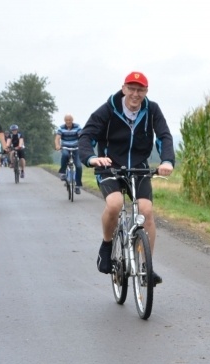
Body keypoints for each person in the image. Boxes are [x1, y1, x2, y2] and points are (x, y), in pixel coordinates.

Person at [78, 71, 175, 285]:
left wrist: (167, 161)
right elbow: (86, 136)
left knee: (146, 210)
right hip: (109, 166)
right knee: (115, 204)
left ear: (146, 92)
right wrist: (92, 158)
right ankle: (106, 246)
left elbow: (164, 136)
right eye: (131, 89)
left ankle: (145, 268)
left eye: (140, 90)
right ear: (123, 89)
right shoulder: (107, 110)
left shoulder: (152, 110)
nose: (135, 94)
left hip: (138, 168)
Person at [55, 114, 82, 193]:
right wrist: (57, 145)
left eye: (69, 120)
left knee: (79, 166)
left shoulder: (77, 127)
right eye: (66, 120)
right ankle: (63, 172)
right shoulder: (61, 127)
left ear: (72, 120)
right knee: (65, 155)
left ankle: (78, 186)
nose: (68, 122)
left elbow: (81, 136)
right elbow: (57, 138)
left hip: (76, 148)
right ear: (65, 121)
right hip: (65, 147)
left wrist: (82, 144)